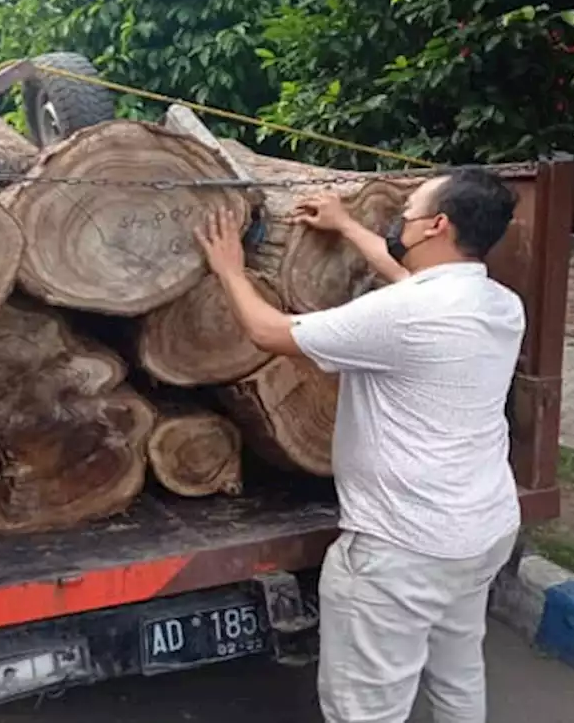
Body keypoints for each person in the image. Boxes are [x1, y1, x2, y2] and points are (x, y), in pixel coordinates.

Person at [193, 166, 526, 723]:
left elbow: (270, 332)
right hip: (482, 531)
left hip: (403, 550)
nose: (400, 221)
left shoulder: (403, 315)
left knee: (367, 708)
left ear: (435, 226)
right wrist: (347, 225)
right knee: (458, 673)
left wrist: (230, 271)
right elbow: (412, 279)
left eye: (409, 212)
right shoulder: (498, 304)